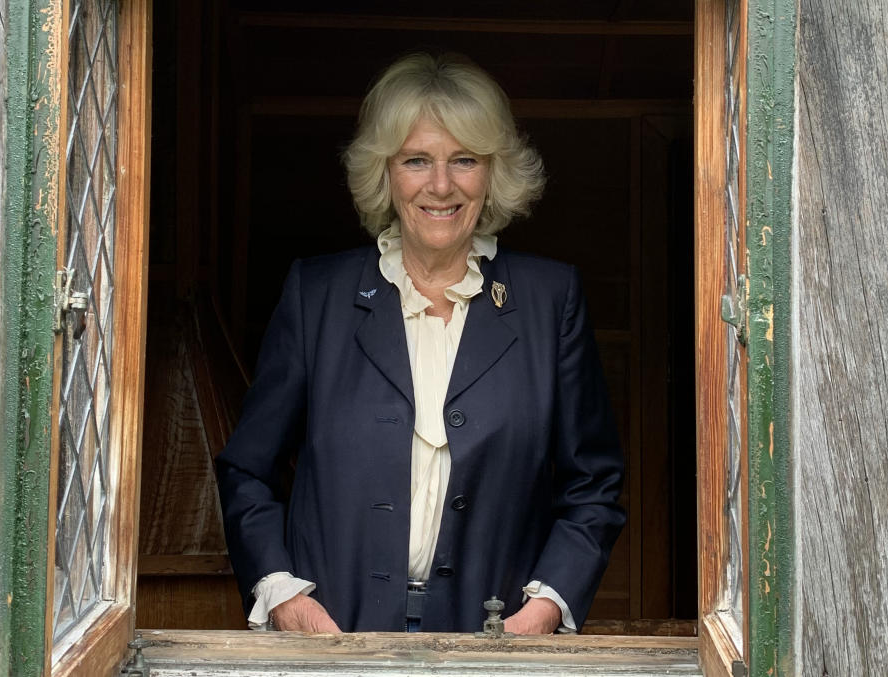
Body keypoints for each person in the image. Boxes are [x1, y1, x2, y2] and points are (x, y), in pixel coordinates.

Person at [215, 52, 625, 634]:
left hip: (495, 650)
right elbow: (246, 471)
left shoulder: (549, 299)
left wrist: (545, 609)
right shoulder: (318, 294)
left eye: (464, 159)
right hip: (335, 641)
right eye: (416, 160)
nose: (440, 185)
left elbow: (594, 485)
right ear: (384, 171)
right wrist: (283, 595)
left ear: (493, 172)